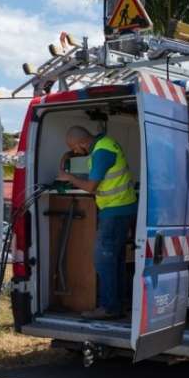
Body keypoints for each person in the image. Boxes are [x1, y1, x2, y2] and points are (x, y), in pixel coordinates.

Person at [56, 126, 137, 319]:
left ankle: (109, 307)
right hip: (121, 208)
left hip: (116, 210)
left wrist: (69, 177)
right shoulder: (103, 145)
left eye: (75, 148)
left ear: (82, 142)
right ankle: (118, 304)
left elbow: (91, 187)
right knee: (114, 259)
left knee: (103, 259)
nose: (75, 152)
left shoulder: (102, 151)